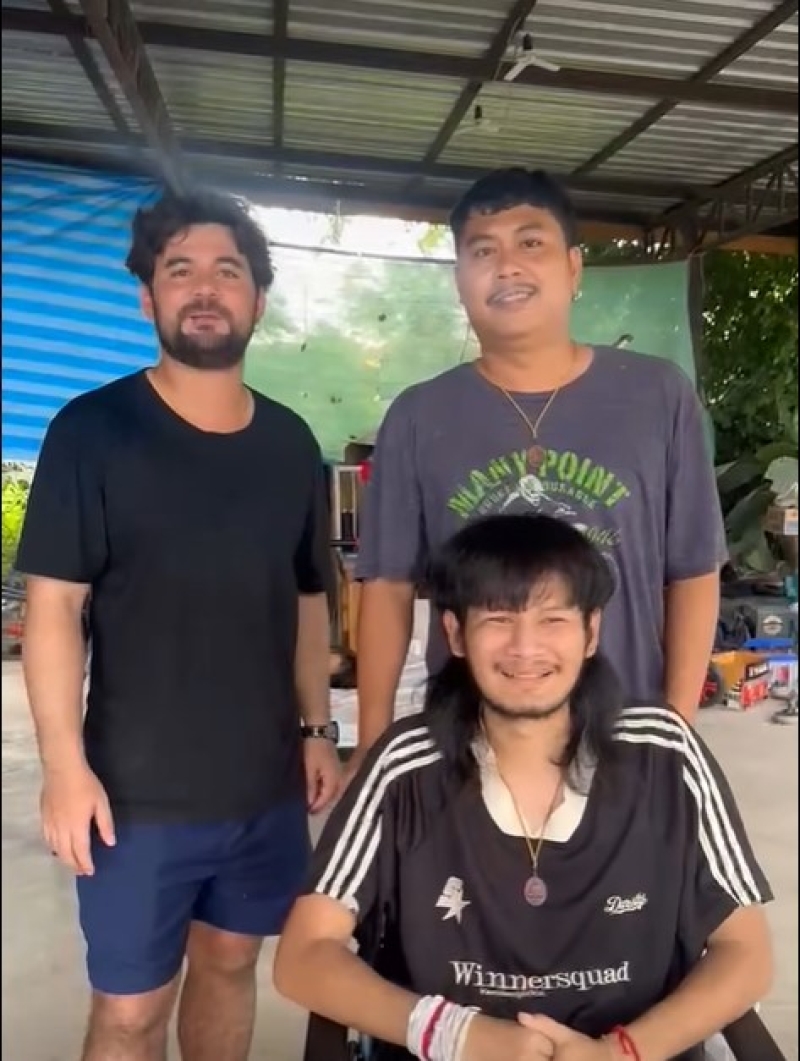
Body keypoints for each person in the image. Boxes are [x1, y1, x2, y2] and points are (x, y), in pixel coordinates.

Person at [16, 189, 341, 1061]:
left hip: (264, 786)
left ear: (258, 300)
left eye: (227, 271)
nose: (204, 288)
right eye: (180, 270)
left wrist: (317, 728)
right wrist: (63, 768)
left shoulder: (290, 445)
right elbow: (54, 606)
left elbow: (308, 596)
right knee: (131, 1010)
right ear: (147, 296)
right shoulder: (93, 431)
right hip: (133, 796)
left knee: (231, 964)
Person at [274, 514, 773, 1061]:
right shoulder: (405, 767)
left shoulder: (665, 755)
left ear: (591, 633)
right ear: (455, 634)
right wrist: (459, 1036)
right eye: (498, 619)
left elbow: (745, 951)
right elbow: (304, 955)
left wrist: (619, 1053)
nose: (525, 648)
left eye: (553, 619)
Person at [350, 167, 724, 777]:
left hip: (624, 736)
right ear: (459, 280)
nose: (507, 267)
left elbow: (693, 570)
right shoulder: (419, 415)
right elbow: (387, 587)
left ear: (574, 268)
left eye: (530, 243)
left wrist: (675, 730)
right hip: (471, 745)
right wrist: (373, 744)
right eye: (483, 251)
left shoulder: (657, 396)